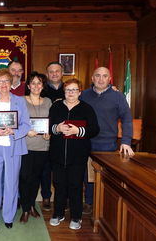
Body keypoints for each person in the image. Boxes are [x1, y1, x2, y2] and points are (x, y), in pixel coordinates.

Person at [0, 68, 31, 230]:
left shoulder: (20, 101)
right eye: (0, 81)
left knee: (11, 183)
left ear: (11, 84)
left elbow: (26, 125)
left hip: (13, 147)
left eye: (7, 81)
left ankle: (8, 216)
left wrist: (14, 131)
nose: (3, 84)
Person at [80, 66, 134, 214]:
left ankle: (104, 203)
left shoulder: (118, 96)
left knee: (106, 177)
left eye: (104, 76)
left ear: (109, 79)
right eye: (97, 75)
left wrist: (126, 141)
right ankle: (89, 202)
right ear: (92, 78)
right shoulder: (84, 95)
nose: (101, 79)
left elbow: (127, 120)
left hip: (107, 144)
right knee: (87, 175)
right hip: (86, 142)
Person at [49, 78, 99, 230]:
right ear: (64, 92)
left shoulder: (86, 108)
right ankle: (58, 213)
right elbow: (49, 125)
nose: (71, 93)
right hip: (57, 154)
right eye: (68, 90)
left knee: (75, 186)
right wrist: (57, 128)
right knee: (59, 185)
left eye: (74, 90)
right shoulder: (56, 106)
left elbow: (94, 129)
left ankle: (76, 217)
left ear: (79, 92)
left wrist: (78, 131)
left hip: (78, 155)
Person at [19, 71, 52, 223]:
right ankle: (25, 208)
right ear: (28, 85)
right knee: (24, 178)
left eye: (39, 83)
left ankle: (31, 205)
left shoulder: (48, 102)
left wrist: (49, 133)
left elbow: (50, 122)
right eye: (33, 83)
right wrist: (26, 130)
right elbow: (15, 122)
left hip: (42, 146)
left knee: (36, 178)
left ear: (43, 86)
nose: (36, 86)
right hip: (25, 145)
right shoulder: (20, 101)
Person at [40, 61, 65, 211]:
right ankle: (46, 196)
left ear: (62, 73)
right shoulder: (42, 90)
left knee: (61, 169)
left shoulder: (69, 89)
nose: (54, 74)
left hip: (64, 135)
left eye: (57, 71)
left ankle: (62, 197)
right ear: (47, 74)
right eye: (51, 72)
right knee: (45, 168)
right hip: (46, 135)